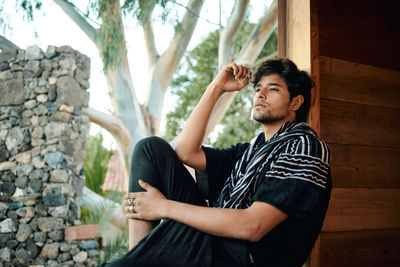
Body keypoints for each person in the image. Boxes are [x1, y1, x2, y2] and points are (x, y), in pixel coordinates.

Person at [99, 58, 331, 267]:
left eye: (273, 89)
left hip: (243, 257)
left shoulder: (304, 147)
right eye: (258, 88)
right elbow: (184, 151)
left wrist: (162, 207)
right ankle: (137, 257)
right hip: (217, 242)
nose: (260, 94)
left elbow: (253, 226)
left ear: (295, 103)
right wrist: (217, 87)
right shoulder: (248, 154)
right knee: (150, 149)